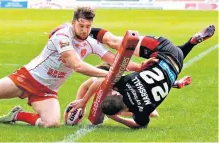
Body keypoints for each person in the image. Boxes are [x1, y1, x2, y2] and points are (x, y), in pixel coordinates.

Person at [0, 7, 145, 128]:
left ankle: (17, 115)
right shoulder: (62, 36)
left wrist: (140, 66)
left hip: (48, 91)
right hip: (27, 78)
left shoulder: (91, 42)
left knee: (51, 124)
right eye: (81, 25)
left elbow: (114, 59)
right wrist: (110, 75)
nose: (85, 30)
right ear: (74, 23)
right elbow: (77, 65)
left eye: (88, 27)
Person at [70, 25, 215, 128]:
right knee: (115, 42)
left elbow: (140, 124)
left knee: (171, 62)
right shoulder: (124, 83)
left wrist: (116, 117)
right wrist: (83, 102)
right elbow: (100, 82)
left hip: (176, 66)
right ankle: (76, 32)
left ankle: (190, 44)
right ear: (116, 94)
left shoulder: (141, 111)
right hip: (162, 48)